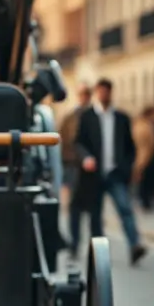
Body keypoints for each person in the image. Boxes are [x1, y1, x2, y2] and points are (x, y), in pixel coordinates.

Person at [72, 78, 147, 265]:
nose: (104, 95)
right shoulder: (87, 117)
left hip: (115, 173)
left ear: (111, 93)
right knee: (95, 214)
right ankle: (99, 251)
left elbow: (130, 147)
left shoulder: (122, 118)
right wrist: (86, 157)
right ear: (97, 93)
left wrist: (127, 166)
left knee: (125, 208)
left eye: (107, 91)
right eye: (101, 91)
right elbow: (78, 142)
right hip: (94, 174)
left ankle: (134, 245)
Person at [59, 84, 92, 259]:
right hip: (73, 165)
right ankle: (74, 243)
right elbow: (64, 139)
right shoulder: (71, 117)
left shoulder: (94, 116)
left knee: (94, 208)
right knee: (74, 206)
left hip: (91, 166)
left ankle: (96, 245)